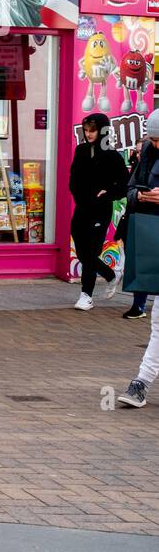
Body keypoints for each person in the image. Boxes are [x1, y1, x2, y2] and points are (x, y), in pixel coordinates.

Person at [118, 112, 159, 408]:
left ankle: (142, 382)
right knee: (158, 321)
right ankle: (141, 382)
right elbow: (130, 189)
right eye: (152, 139)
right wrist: (142, 197)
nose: (154, 144)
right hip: (154, 236)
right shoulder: (147, 152)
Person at [69, 112, 128, 311]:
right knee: (82, 251)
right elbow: (73, 179)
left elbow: (124, 185)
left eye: (92, 130)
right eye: (86, 130)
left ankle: (86, 295)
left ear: (102, 130)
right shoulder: (81, 150)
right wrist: (81, 197)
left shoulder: (113, 156)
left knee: (91, 252)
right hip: (82, 208)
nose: (88, 134)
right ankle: (111, 274)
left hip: (101, 210)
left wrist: (108, 193)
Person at [118, 140, 154, 320]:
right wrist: (139, 195)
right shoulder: (140, 166)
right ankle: (138, 304)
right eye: (137, 152)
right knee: (140, 263)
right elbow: (129, 191)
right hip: (139, 220)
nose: (140, 155)